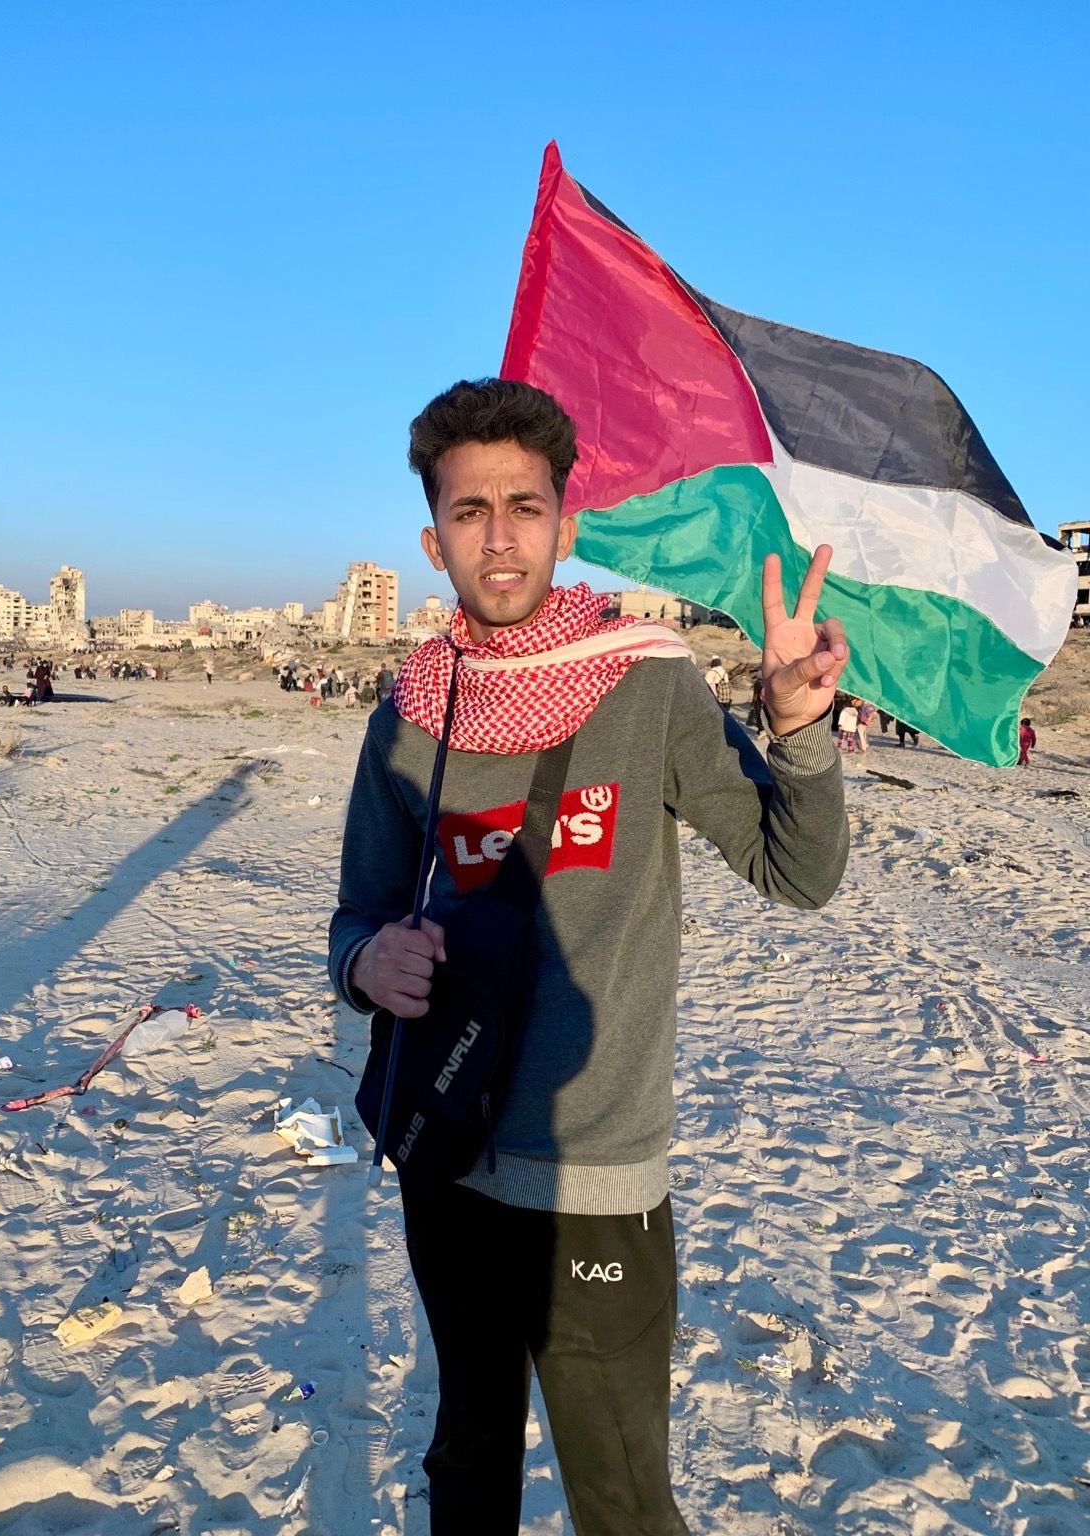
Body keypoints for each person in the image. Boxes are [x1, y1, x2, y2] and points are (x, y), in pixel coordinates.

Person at [328, 378, 850, 1535]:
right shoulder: (409, 708)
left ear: (567, 522)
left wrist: (801, 734)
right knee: (467, 1457)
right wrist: (369, 965)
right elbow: (353, 916)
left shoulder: (648, 679)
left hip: (598, 1181)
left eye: (526, 504)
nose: (500, 537)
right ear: (432, 537)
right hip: (445, 1157)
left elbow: (797, 873)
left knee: (620, 1495)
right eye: (471, 511)